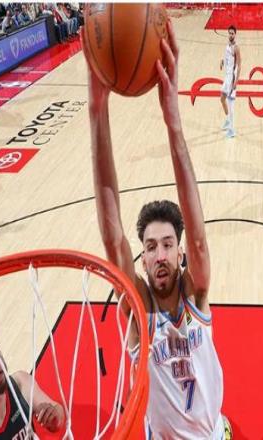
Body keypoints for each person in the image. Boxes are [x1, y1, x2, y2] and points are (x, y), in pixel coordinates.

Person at [82, 20, 232, 440]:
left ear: (180, 254)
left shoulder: (195, 294)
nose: (160, 254)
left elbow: (198, 237)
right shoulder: (139, 309)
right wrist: (97, 110)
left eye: (168, 244)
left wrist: (173, 122)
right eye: (151, 247)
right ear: (143, 259)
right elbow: (113, 236)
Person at [220, 25, 241, 139]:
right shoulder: (227, 45)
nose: (230, 35)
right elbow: (227, 58)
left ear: (235, 34)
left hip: (231, 79)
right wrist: (222, 61)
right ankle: (228, 120)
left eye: (232, 33)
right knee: (222, 99)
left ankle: (232, 130)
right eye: (229, 33)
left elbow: (239, 65)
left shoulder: (236, 48)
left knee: (231, 104)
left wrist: (235, 82)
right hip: (226, 77)